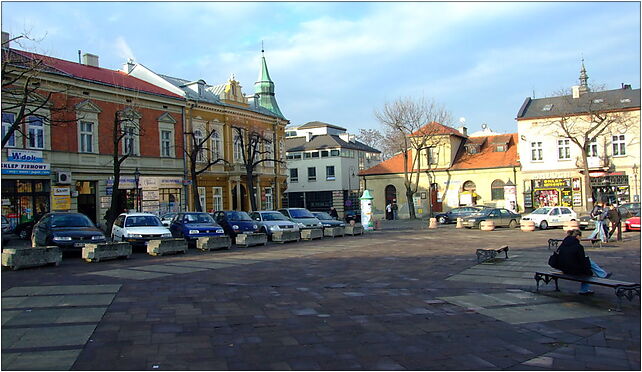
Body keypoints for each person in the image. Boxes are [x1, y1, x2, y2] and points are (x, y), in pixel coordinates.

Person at [555, 229, 612, 295]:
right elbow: (582, 260)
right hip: (572, 269)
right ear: (577, 236)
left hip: (563, 268)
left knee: (588, 263)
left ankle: (602, 274)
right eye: (580, 237)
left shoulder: (563, 244)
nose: (581, 238)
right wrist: (587, 267)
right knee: (588, 269)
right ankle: (586, 288)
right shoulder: (578, 246)